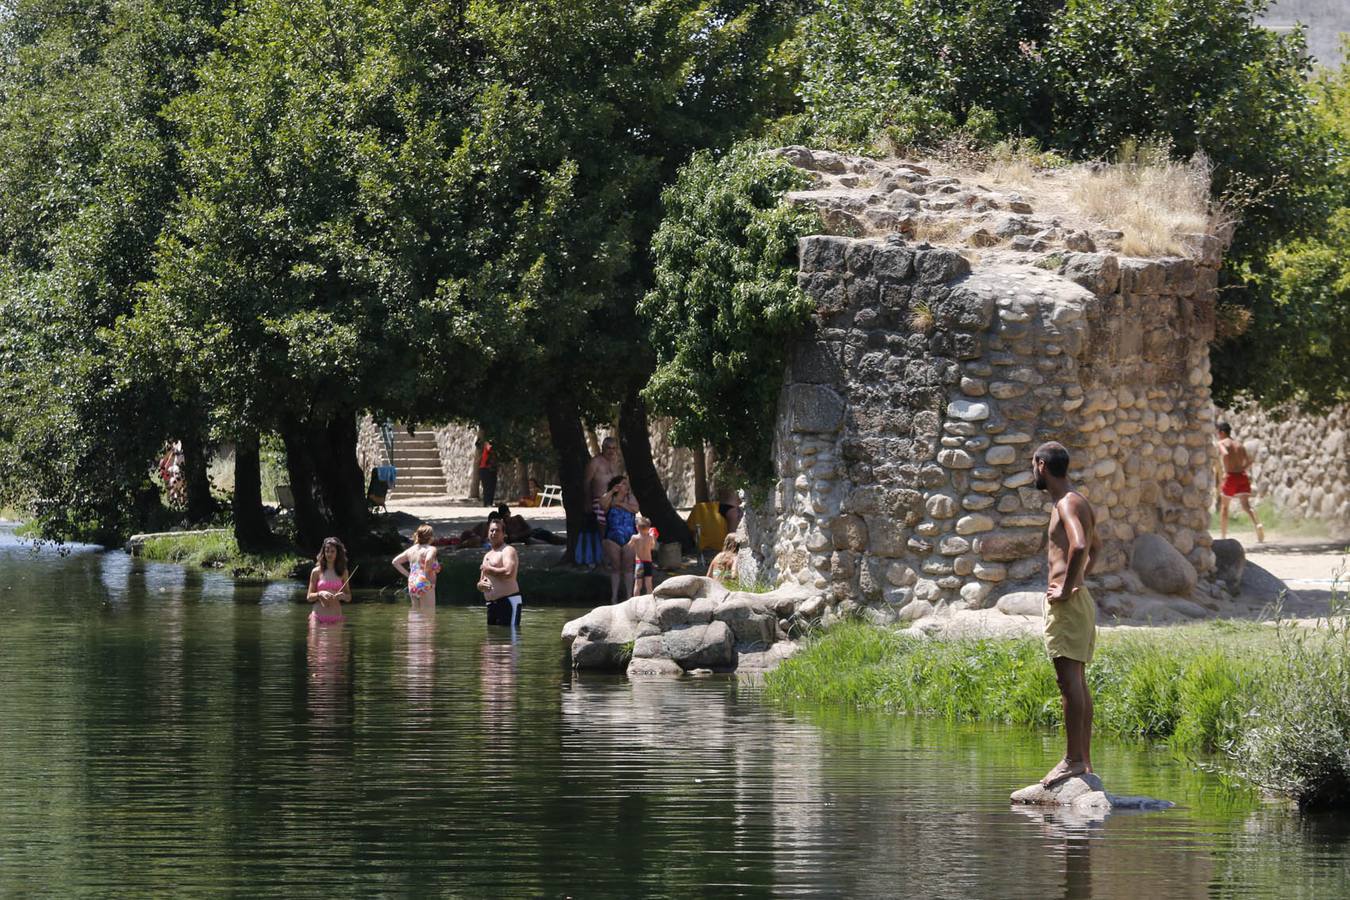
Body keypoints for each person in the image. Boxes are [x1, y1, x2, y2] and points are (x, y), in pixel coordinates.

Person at [1032, 441, 1102, 788]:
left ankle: (1074, 760)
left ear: (1042, 465)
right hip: (1077, 601)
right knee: (1077, 682)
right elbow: (1096, 547)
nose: (1034, 471)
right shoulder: (1078, 500)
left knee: (1068, 682)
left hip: (1068, 604)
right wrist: (1078, 583)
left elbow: (1078, 545)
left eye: (1034, 465)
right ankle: (1083, 760)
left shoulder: (1066, 502)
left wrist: (1066, 587)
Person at [1215, 421, 1264, 542]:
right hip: (1242, 475)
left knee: (1224, 507)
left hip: (1230, 477)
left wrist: (1224, 469)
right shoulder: (1239, 445)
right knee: (1246, 506)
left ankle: (1223, 536)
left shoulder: (1221, 443)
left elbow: (1225, 453)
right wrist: (1242, 468)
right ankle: (1257, 524)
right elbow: (1249, 461)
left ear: (1221, 432)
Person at [600, 475, 641, 603]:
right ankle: (614, 597)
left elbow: (635, 509)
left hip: (630, 538)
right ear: (617, 486)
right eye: (623, 483)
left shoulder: (630, 497)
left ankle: (629, 596)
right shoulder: (609, 498)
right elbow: (602, 505)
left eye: (626, 483)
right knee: (616, 566)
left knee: (628, 566)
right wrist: (612, 491)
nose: (626, 486)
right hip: (612, 537)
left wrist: (620, 504)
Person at [480, 520, 523, 627]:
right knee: (492, 640)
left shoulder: (508, 550)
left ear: (504, 534)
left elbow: (508, 572)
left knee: (509, 639)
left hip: (508, 601)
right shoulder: (487, 555)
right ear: (488, 534)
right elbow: (481, 581)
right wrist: (480, 585)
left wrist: (489, 569)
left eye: (497, 530)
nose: (494, 533)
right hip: (491, 604)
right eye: (491, 530)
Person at [392, 524, 441, 610]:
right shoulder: (431, 549)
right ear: (430, 537)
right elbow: (428, 560)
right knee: (429, 614)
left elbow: (395, 562)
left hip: (412, 582)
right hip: (425, 582)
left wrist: (409, 575)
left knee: (415, 614)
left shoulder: (411, 550)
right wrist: (425, 577)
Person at [307, 536, 352, 624]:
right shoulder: (316, 571)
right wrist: (320, 594)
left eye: (332, 551)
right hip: (317, 617)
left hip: (336, 617)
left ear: (337, 553)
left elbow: (349, 597)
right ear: (323, 552)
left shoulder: (343, 572)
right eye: (327, 551)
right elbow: (309, 597)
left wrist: (344, 596)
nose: (329, 554)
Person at [629, 517, 657, 596]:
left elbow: (629, 546)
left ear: (637, 527)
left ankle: (635, 601)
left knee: (638, 585)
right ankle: (649, 601)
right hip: (648, 562)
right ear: (648, 528)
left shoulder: (635, 537)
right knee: (648, 584)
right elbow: (652, 547)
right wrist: (654, 538)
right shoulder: (650, 538)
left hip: (639, 563)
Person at [478, 439, 498, 508]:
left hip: (490, 470)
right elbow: (487, 445)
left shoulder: (492, 451)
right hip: (485, 469)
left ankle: (489, 502)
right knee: (487, 487)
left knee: (491, 487)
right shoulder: (486, 449)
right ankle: (487, 502)